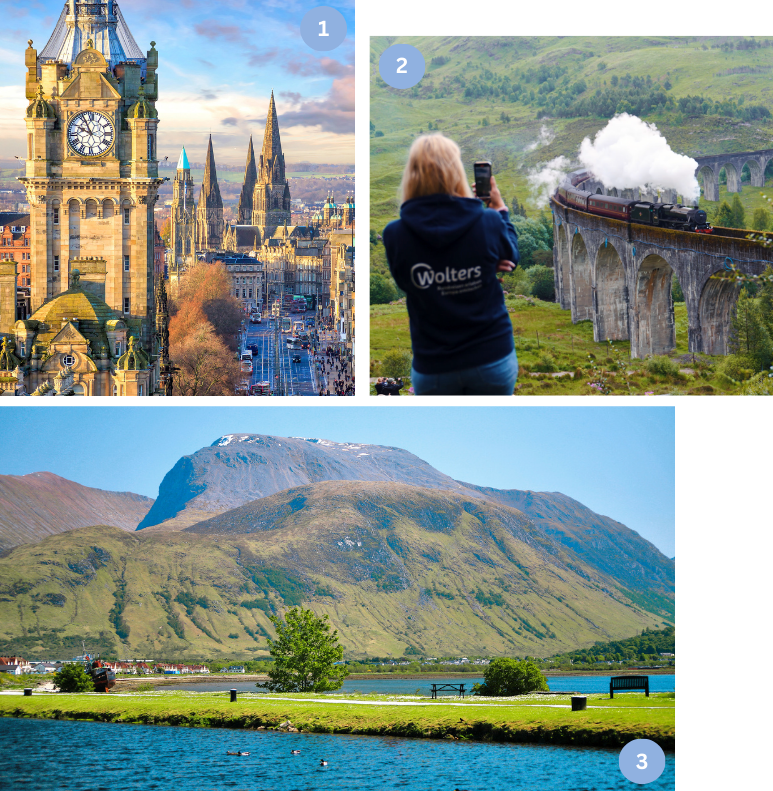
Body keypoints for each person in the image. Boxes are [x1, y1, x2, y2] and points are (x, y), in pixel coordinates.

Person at [383, 134, 519, 395]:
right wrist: (500, 212)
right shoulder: (487, 222)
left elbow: (405, 283)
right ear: (456, 171)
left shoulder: (395, 234)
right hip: (491, 355)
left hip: (433, 364)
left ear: (411, 175)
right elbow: (511, 256)